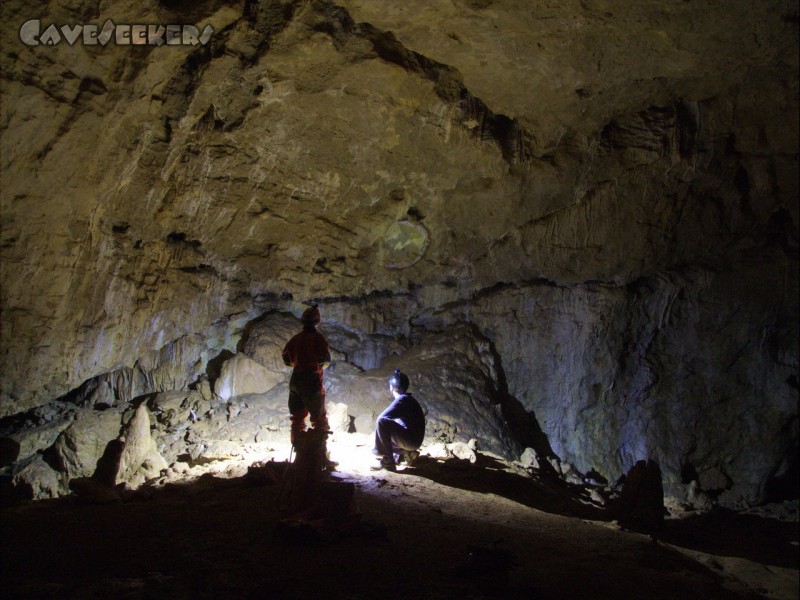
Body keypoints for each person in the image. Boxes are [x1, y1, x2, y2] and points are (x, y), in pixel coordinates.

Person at [282, 305, 331, 446]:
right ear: (317, 322)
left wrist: (298, 363)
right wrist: (314, 365)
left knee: (297, 420)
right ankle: (319, 456)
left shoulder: (295, 339)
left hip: (296, 380)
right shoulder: (318, 339)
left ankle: (298, 451)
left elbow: (286, 359)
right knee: (319, 420)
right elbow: (325, 361)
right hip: (311, 381)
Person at [372, 369, 426, 471]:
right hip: (414, 440)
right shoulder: (407, 399)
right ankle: (404, 454)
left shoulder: (402, 400)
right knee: (394, 422)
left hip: (411, 441)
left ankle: (388, 462)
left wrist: (378, 449)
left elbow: (382, 418)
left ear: (391, 387)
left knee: (382, 422)